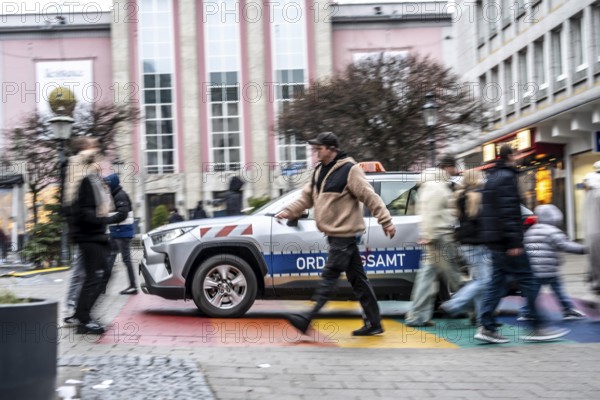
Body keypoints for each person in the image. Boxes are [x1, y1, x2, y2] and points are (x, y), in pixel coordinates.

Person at [276, 131, 396, 336]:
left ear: (331, 149)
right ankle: (374, 323)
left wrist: (386, 221)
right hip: (334, 235)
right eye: (314, 149)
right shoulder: (318, 171)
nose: (315, 153)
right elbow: (306, 198)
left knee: (330, 275)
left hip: (345, 234)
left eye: (318, 149)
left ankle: (306, 318)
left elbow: (369, 196)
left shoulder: (350, 170)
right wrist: (288, 211)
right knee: (358, 280)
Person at [475, 144, 570, 343]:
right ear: (510, 155)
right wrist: (515, 241)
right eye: (517, 154)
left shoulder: (492, 177)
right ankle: (537, 326)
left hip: (496, 242)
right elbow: (509, 212)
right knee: (529, 280)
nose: (519, 157)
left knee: (497, 283)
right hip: (508, 242)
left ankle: (486, 326)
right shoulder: (507, 178)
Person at [62, 136, 125, 334]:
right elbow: (84, 211)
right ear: (86, 151)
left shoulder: (90, 177)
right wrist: (108, 220)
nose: (97, 148)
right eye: (93, 145)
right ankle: (83, 318)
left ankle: (83, 315)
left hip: (94, 234)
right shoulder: (82, 177)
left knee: (101, 274)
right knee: (95, 276)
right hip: (88, 234)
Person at [404, 154, 463, 327]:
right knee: (455, 277)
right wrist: (430, 236)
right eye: (454, 168)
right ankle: (476, 310)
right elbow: (431, 214)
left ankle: (417, 316)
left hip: (434, 237)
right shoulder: (437, 186)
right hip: (440, 238)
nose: (455, 171)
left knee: (426, 279)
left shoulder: (430, 184)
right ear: (447, 167)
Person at [439, 169, 492, 326]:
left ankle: (481, 319)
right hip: (477, 245)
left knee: (478, 280)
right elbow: (483, 222)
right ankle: (454, 304)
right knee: (485, 281)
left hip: (464, 244)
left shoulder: (459, 196)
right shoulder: (476, 196)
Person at [520, 204, 587, 320]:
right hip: (549, 270)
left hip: (533, 270)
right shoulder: (553, 231)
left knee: (532, 293)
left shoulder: (531, 231)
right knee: (560, 291)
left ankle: (526, 312)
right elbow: (565, 246)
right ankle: (568, 310)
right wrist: (583, 249)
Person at [103, 173, 137, 295]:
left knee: (123, 259)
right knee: (111, 258)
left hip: (122, 232)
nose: (106, 186)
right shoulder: (116, 194)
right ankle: (102, 288)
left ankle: (133, 286)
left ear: (113, 183)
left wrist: (107, 220)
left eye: (107, 184)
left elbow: (123, 214)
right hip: (118, 232)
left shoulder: (120, 195)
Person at [583, 160, 600, 294]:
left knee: (594, 255)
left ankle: (595, 281)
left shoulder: (590, 184)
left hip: (592, 228)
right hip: (595, 227)